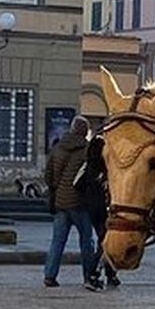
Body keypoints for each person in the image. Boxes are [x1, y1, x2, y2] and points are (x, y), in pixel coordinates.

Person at [43, 115, 98, 290]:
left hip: (60, 203)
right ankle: (89, 276)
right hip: (80, 203)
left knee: (57, 241)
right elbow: (91, 177)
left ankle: (49, 275)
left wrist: (55, 192)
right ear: (84, 132)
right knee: (86, 241)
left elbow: (49, 175)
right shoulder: (87, 150)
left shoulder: (58, 147)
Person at [82, 123, 120, 289]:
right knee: (105, 241)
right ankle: (92, 274)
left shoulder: (90, 165)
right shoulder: (108, 168)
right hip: (104, 205)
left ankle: (111, 274)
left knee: (103, 239)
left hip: (92, 206)